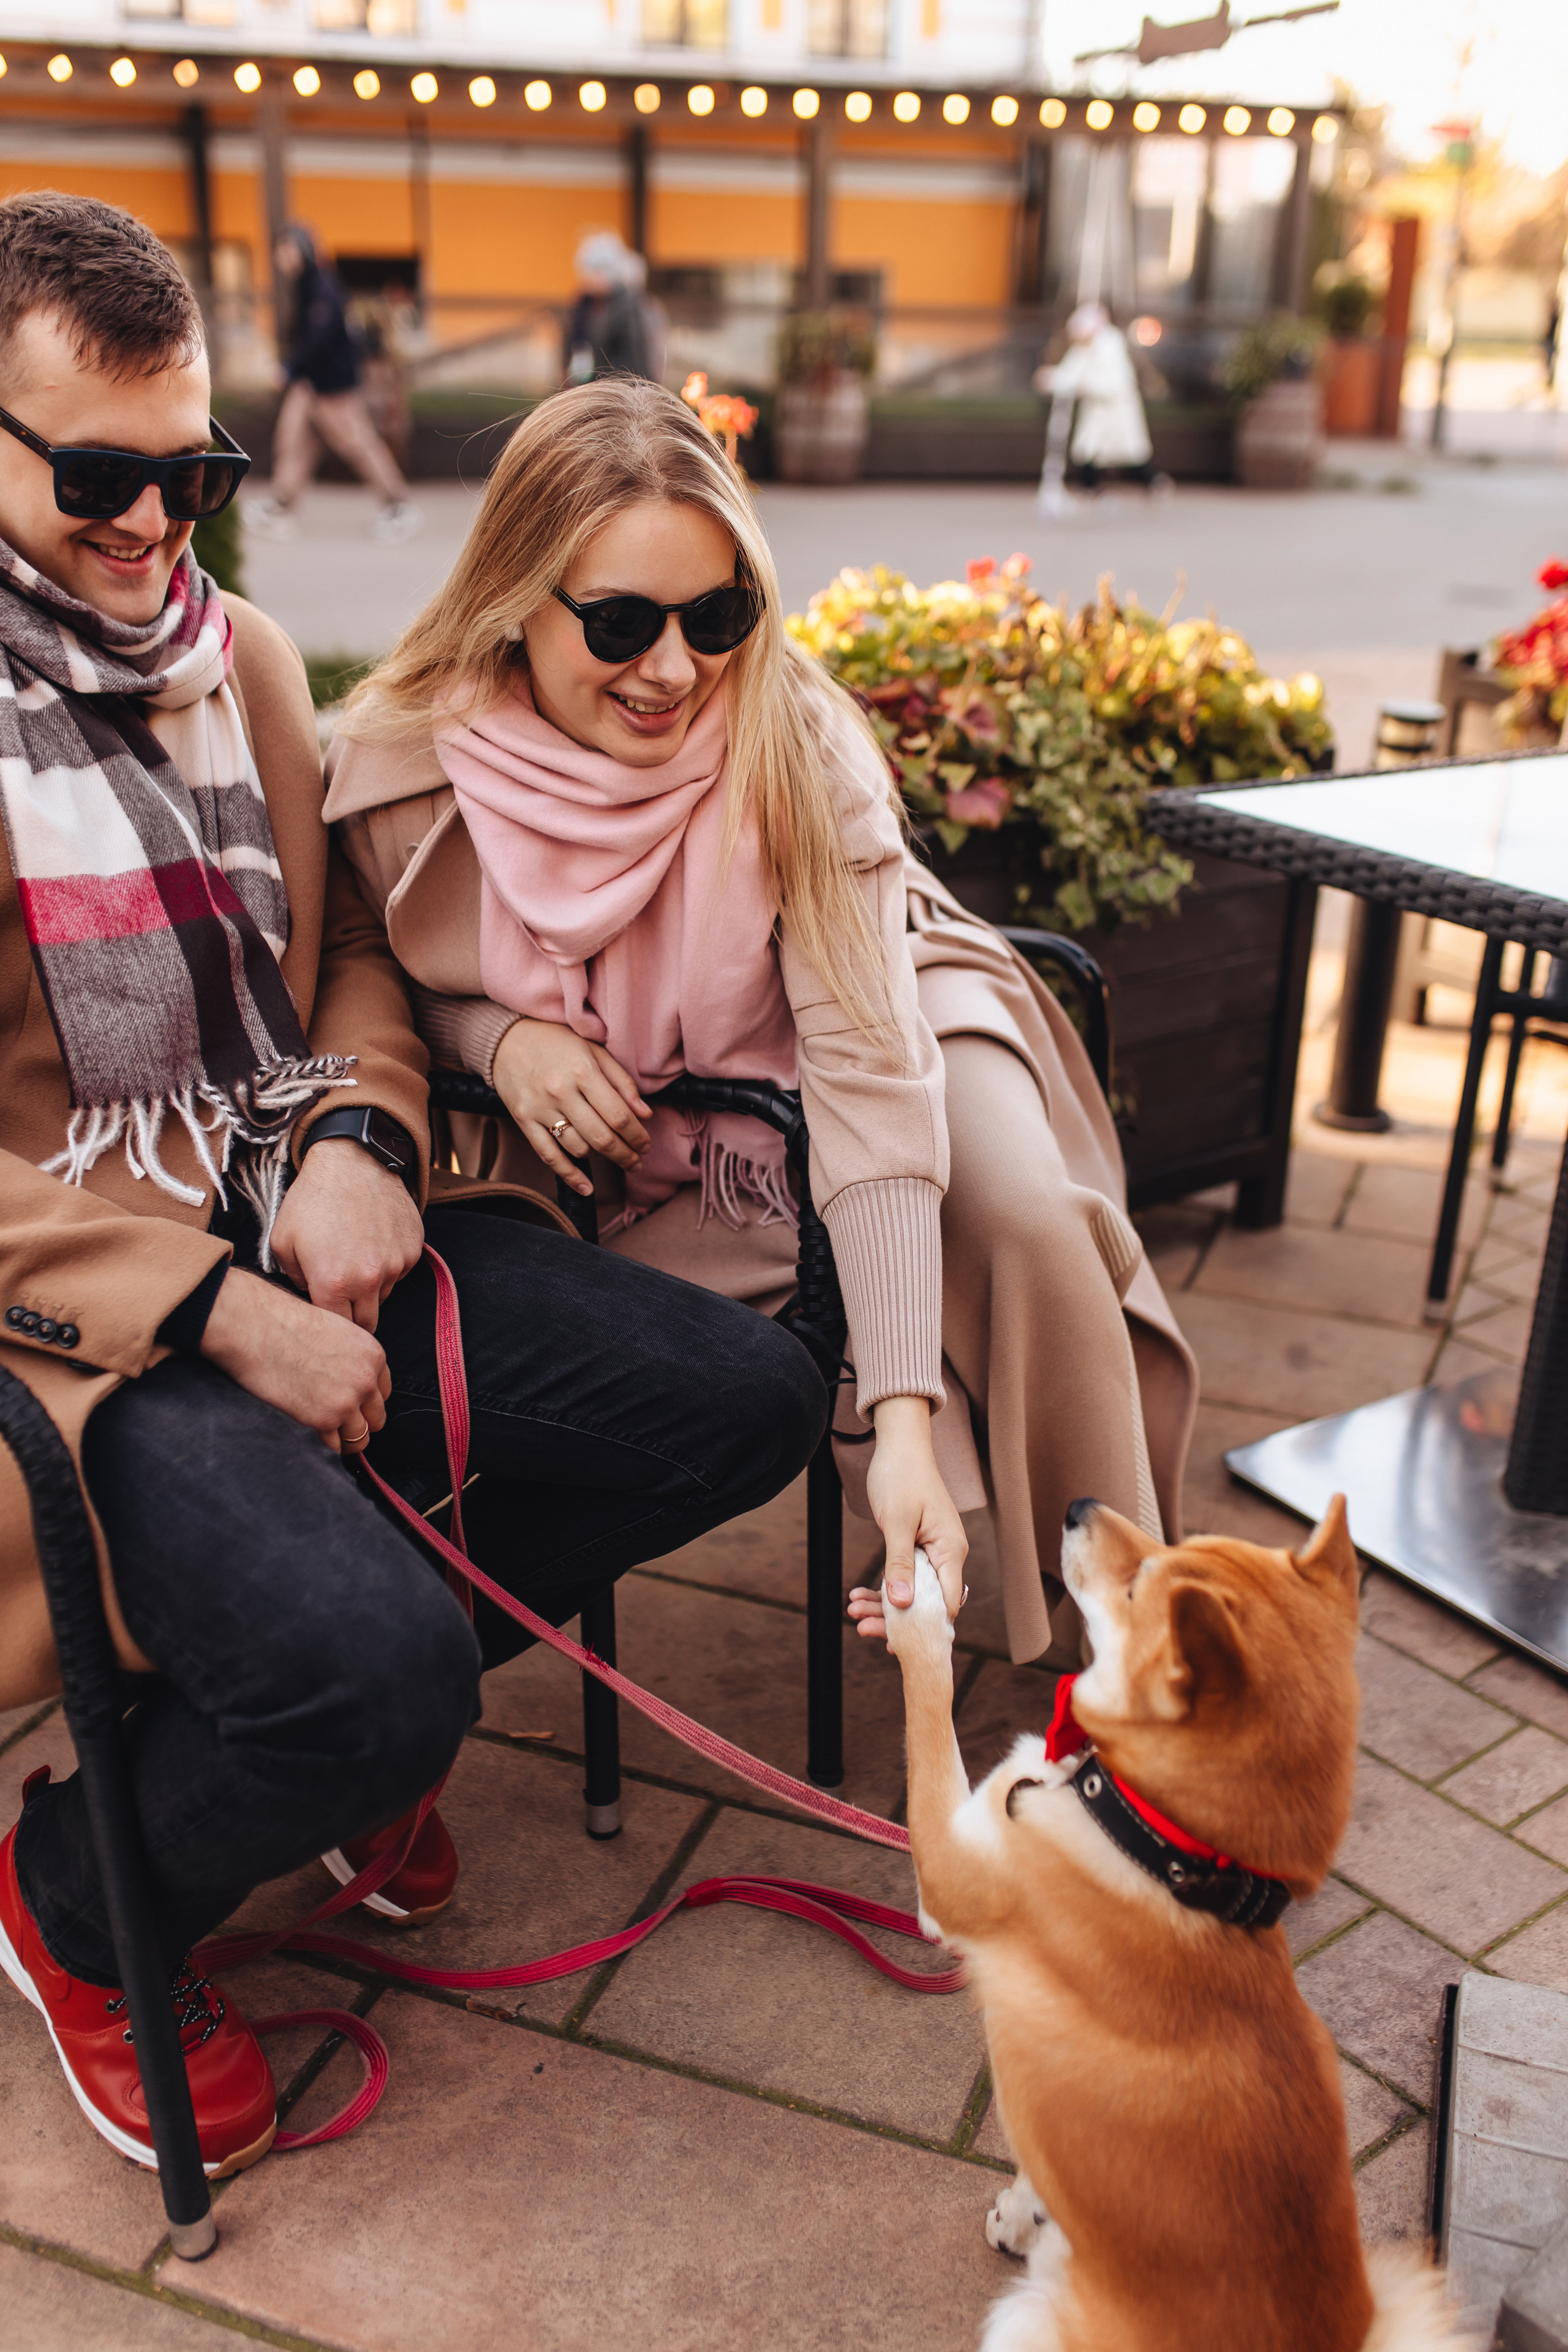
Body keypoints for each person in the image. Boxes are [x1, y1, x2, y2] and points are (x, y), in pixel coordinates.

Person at [0, 195, 824, 2182]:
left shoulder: (248, 658)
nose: (150, 526)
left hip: (302, 1190)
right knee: (380, 1680)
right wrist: (215, 1311)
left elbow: (349, 955)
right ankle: (82, 1891)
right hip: (93, 1310)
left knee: (749, 1396)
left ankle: (287, 1710)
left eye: (186, 470)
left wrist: (360, 1138)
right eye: (96, 478)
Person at [325, 375, 1199, 1678]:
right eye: (619, 622)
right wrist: (494, 1036)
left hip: (892, 1006)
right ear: (515, 597)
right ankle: (373, 1672)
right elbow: (374, 972)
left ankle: (1127, 1645)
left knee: (1015, 1220)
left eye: (717, 613)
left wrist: (897, 1413)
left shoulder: (797, 747)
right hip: (661, 1134)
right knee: (642, 1376)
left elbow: (867, 1073)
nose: (674, 668)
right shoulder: (403, 767)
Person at [246, 225, 421, 545]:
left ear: (302, 249)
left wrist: (288, 366)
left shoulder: (323, 284)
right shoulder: (305, 284)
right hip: (311, 383)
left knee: (358, 444)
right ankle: (281, 504)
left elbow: (319, 335)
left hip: (333, 386)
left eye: (286, 248)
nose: (280, 256)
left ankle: (398, 504)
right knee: (294, 440)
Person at [1034, 302, 1165, 519]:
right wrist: (1051, 379)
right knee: (1088, 452)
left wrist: (1081, 385)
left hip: (1116, 414)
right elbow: (1071, 373)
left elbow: (1113, 384)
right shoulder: (1084, 348)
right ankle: (1091, 490)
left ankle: (1154, 484)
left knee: (1130, 456)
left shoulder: (1110, 346)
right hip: (1096, 414)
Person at [563, 232, 660, 386]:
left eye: (596, 272)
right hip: (589, 387)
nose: (590, 278)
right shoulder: (584, 305)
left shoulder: (627, 305)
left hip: (618, 390)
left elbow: (636, 357)